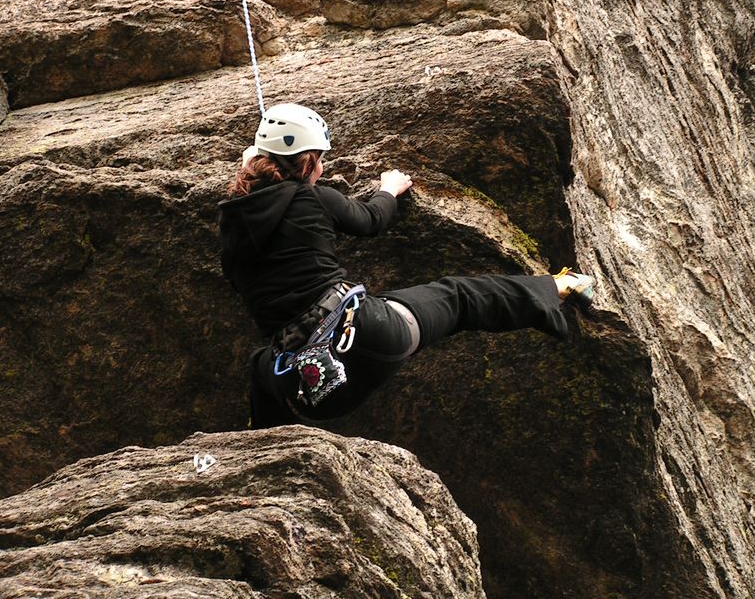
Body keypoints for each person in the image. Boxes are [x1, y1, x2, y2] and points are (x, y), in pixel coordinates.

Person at [218, 103, 595, 428]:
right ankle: (560, 287)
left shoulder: (231, 228)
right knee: (458, 297)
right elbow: (370, 220)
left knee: (260, 367)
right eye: (321, 160)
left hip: (310, 384)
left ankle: (261, 443)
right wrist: (389, 188)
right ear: (310, 162)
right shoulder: (313, 198)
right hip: (366, 333)